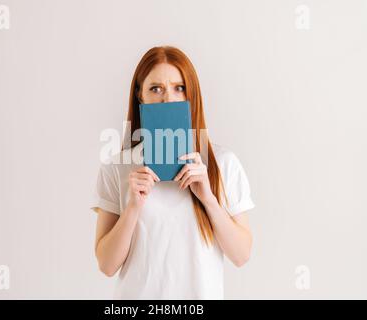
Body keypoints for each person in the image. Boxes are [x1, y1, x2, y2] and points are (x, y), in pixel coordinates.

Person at [91, 46, 255, 299]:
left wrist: (208, 199)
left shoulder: (224, 163)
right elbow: (106, 265)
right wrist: (133, 207)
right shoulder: (117, 167)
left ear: (192, 95)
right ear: (140, 96)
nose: (167, 98)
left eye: (179, 88)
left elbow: (241, 254)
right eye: (156, 89)